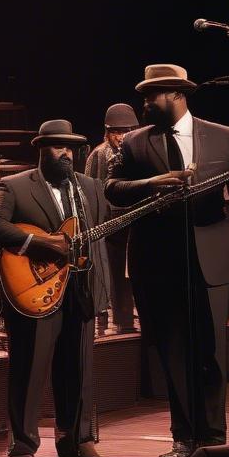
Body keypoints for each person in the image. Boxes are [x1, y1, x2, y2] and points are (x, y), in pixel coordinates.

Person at [106, 64, 229, 457]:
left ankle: (213, 437)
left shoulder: (228, 137)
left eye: (151, 96)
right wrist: (151, 184)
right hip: (158, 263)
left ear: (177, 94)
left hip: (209, 259)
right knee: (173, 352)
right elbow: (112, 190)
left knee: (211, 350)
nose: (145, 104)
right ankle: (183, 436)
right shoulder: (135, 143)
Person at [0, 119, 120, 457]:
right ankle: (22, 450)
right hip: (34, 289)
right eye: (58, 147)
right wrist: (41, 243)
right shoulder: (16, 186)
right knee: (29, 370)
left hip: (79, 288)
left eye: (71, 148)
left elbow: (110, 222)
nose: (66, 154)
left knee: (78, 369)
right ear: (42, 149)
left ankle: (77, 445)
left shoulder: (89, 187)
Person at [85, 103, 140, 334]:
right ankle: (113, 319)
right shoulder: (98, 154)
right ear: (107, 133)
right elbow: (88, 187)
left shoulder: (137, 152)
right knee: (112, 272)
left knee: (133, 271)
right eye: (116, 132)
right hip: (108, 221)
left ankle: (128, 319)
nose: (121, 137)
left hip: (135, 217)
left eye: (126, 131)